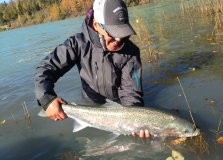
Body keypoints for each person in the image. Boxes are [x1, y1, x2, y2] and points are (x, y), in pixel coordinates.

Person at [34, 0, 150, 138]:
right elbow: (46, 68)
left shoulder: (131, 51)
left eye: (123, 33)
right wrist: (46, 98)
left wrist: (137, 119)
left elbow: (131, 92)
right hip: (90, 105)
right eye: (113, 33)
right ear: (96, 25)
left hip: (121, 107)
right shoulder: (77, 44)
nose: (119, 39)